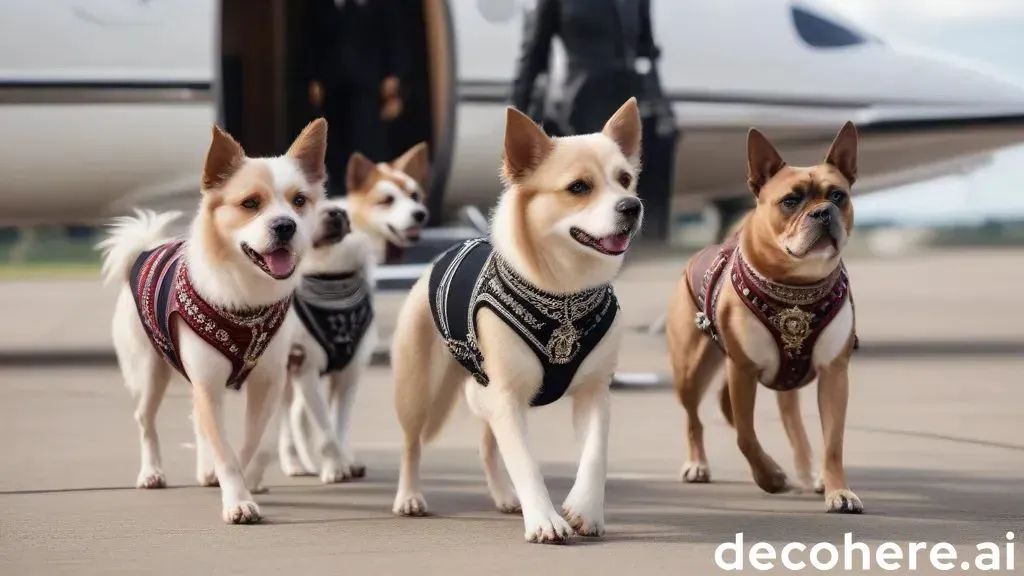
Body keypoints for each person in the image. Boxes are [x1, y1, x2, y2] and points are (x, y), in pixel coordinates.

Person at [510, 0, 679, 242]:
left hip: (628, 96)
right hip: (581, 100)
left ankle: (650, 244)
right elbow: (533, 54)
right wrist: (518, 116)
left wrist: (661, 104)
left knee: (659, 145)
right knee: (595, 178)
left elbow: (647, 51)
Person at [307, 0, 406, 195]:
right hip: (332, 83)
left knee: (365, 134)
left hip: (368, 82)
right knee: (335, 135)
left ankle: (368, 185)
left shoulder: (381, 7)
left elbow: (395, 39)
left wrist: (393, 74)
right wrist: (313, 77)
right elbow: (311, 43)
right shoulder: (322, 7)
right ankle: (339, 187)